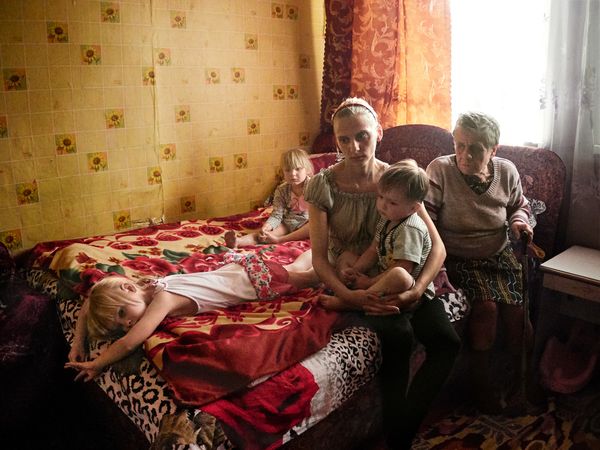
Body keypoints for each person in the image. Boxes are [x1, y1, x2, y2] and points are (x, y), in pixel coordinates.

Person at [305, 97, 460, 449]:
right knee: (399, 335)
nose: (354, 147)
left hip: (399, 269)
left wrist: (417, 290)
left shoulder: (397, 180)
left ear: (378, 132)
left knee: (447, 342)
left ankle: (402, 427)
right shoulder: (322, 185)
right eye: (344, 139)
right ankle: (398, 442)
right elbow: (319, 259)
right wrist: (350, 296)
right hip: (352, 275)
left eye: (362, 136)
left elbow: (438, 248)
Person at [65, 250, 318, 381]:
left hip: (253, 282)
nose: (128, 323)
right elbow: (91, 300)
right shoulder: (145, 286)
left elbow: (129, 342)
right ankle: (320, 247)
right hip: (236, 272)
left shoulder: (162, 300)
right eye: (120, 325)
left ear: (128, 288)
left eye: (122, 314)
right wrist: (78, 342)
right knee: (295, 268)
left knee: (309, 278)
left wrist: (98, 363)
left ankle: (332, 257)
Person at [424, 111, 533, 413]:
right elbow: (426, 221)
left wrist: (519, 223)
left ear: (493, 150)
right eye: (459, 145)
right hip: (459, 257)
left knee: (518, 312)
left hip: (499, 254)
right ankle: (481, 385)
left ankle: (522, 379)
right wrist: (436, 265)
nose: (465, 154)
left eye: (475, 148)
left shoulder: (506, 171)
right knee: (486, 309)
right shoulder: (440, 170)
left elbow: (519, 206)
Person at [319, 159, 435, 311]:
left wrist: (369, 282)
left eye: (392, 203)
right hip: (382, 272)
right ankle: (350, 291)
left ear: (413, 208)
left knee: (399, 275)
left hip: (405, 287)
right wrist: (356, 270)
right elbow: (373, 250)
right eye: (380, 197)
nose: (382, 205)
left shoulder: (411, 228)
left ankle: (351, 303)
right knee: (347, 256)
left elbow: (405, 267)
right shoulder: (387, 218)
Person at [225, 147, 313, 248]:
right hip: (290, 222)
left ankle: (281, 240)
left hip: (309, 222)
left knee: (314, 226)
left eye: (298, 169)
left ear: (307, 169)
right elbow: (277, 215)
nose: (293, 174)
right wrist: (267, 226)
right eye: (288, 170)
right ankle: (238, 242)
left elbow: (322, 212)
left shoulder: (314, 186)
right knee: (264, 235)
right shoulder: (281, 190)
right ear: (283, 172)